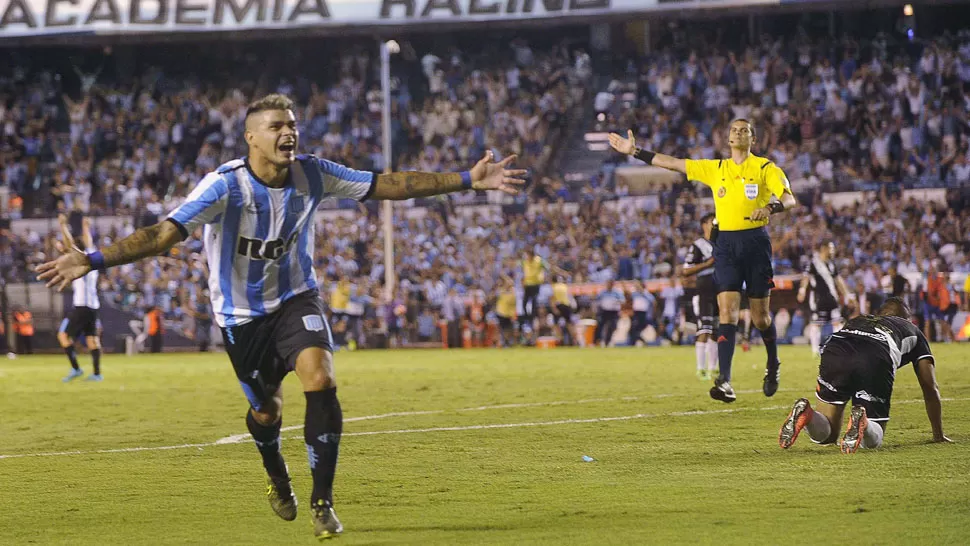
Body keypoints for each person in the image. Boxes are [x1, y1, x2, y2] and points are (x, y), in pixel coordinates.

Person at [36, 93, 526, 540]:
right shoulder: (223, 186)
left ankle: (323, 501)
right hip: (241, 317)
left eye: (291, 124)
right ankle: (278, 478)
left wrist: (466, 180)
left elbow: (388, 184)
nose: (288, 132)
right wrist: (93, 259)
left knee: (321, 378)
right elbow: (163, 235)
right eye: (275, 126)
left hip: (297, 298)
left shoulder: (314, 173)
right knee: (266, 411)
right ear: (251, 137)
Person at [609, 119, 797, 403]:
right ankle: (724, 380)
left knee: (760, 317)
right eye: (734, 129)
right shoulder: (716, 168)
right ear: (728, 138)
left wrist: (771, 207)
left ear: (753, 139)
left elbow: (789, 199)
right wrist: (636, 152)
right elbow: (674, 163)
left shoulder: (765, 168)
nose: (738, 133)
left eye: (744, 130)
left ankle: (772, 364)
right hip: (725, 246)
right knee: (727, 312)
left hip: (755, 243)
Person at [779, 297, 950, 453]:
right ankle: (865, 422)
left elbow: (852, 355)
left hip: (835, 348)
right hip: (875, 354)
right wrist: (938, 434)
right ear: (906, 319)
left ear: (880, 314)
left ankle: (807, 414)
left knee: (828, 435)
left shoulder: (859, 319)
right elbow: (930, 386)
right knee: (871, 442)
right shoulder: (912, 329)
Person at [56, 215, 103, 382]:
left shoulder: (80, 260)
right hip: (93, 305)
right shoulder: (92, 257)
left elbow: (69, 245)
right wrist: (85, 227)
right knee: (92, 339)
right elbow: (88, 242)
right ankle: (97, 374)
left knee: (63, 336)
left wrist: (63, 226)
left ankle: (76, 369)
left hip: (82, 305)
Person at [796, 242, 848, 357]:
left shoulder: (831, 264)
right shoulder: (813, 263)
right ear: (824, 249)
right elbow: (806, 277)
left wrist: (847, 294)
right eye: (831, 248)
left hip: (832, 298)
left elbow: (838, 280)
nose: (833, 251)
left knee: (837, 322)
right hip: (818, 299)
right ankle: (815, 350)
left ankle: (838, 347)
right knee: (817, 323)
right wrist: (802, 290)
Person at [683, 213, 717, 380]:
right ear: (704, 224)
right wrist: (707, 264)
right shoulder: (698, 245)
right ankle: (700, 368)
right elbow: (685, 270)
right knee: (704, 329)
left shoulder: (722, 243)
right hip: (704, 291)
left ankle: (713, 368)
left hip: (721, 290)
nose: (715, 224)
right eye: (712, 222)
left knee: (717, 331)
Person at [594, 280, 624, 347]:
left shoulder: (617, 292)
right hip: (604, 311)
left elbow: (622, 301)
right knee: (600, 325)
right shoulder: (602, 292)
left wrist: (616, 301)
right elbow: (597, 300)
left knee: (612, 326)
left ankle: (607, 341)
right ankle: (597, 341)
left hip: (614, 312)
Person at [550, 275, 576, 346]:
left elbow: (552, 298)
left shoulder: (553, 287)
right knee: (569, 324)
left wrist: (554, 309)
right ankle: (575, 340)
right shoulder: (564, 286)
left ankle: (560, 340)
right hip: (567, 305)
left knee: (555, 324)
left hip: (559, 305)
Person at [628, 280, 656, 346]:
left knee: (635, 330)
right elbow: (629, 296)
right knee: (633, 331)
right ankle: (637, 343)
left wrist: (652, 313)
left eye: (638, 285)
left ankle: (638, 342)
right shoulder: (635, 293)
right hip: (636, 313)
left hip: (642, 314)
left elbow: (653, 302)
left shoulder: (646, 294)